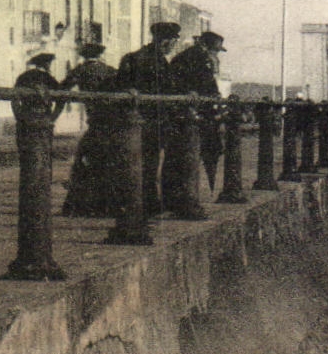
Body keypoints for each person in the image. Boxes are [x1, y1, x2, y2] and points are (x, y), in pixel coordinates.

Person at [116, 21, 181, 215]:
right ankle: (146, 203)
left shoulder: (134, 57)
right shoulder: (156, 61)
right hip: (151, 119)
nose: (173, 47)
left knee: (144, 162)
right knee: (150, 162)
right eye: (173, 42)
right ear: (165, 42)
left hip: (138, 118)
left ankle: (143, 202)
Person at [161, 30, 225, 210]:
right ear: (206, 46)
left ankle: (179, 198)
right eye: (216, 49)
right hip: (191, 114)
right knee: (189, 155)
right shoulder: (195, 57)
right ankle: (186, 198)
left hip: (194, 113)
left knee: (185, 155)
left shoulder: (195, 57)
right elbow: (197, 84)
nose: (217, 54)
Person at [61, 43, 126, 217]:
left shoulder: (79, 70)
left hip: (95, 120)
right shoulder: (109, 70)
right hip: (111, 120)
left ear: (83, 56)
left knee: (86, 160)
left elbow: (62, 87)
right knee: (109, 161)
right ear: (100, 55)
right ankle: (109, 204)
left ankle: (82, 204)